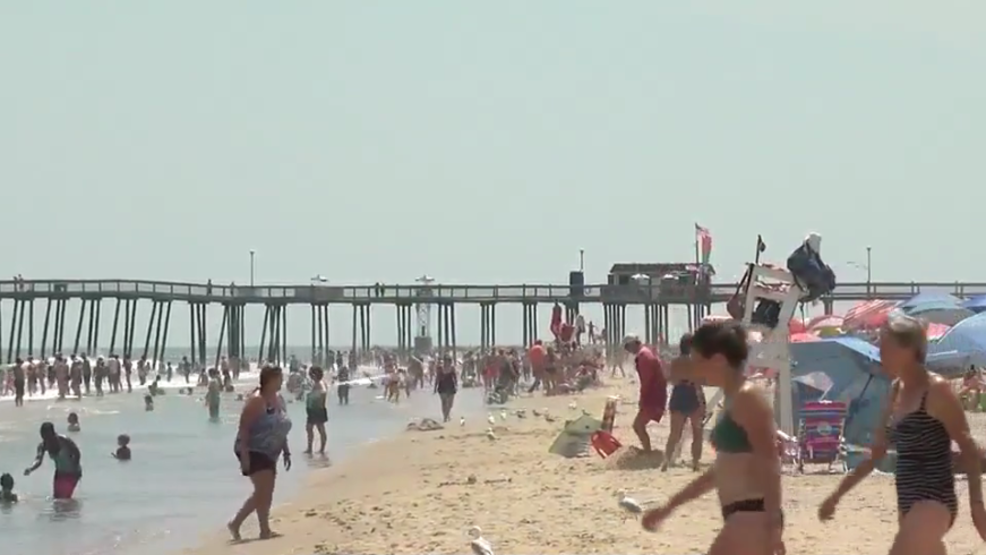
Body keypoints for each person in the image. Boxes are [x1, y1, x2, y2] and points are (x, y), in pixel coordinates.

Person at [819, 315, 986, 554]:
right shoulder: (895, 390)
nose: (879, 351)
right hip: (906, 502)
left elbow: (968, 447)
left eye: (885, 346)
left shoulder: (935, 389)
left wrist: (977, 506)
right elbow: (875, 455)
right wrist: (837, 495)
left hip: (934, 500)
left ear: (908, 350)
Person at [642, 321, 783, 555]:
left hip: (752, 519)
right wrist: (670, 506)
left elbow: (769, 462)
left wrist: (773, 527)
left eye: (697, 361)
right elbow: (721, 470)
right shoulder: (732, 400)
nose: (693, 369)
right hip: (741, 517)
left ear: (718, 360)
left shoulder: (747, 398)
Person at [228, 365, 293, 541]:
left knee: (267, 491)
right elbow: (244, 429)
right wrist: (245, 458)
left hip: (271, 450)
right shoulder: (257, 400)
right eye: (279, 378)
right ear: (270, 379)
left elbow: (280, 426)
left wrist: (286, 450)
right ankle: (236, 523)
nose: (282, 381)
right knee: (262, 491)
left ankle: (264, 530)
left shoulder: (278, 399)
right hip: (252, 448)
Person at [663, 333, 705, 471]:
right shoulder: (696, 362)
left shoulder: (675, 362)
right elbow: (699, 383)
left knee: (674, 433)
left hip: (678, 393)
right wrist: (702, 402)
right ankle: (695, 463)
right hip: (692, 394)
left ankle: (666, 461)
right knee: (697, 433)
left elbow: (670, 379)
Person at [622, 334, 667, 452]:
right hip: (657, 394)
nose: (628, 351)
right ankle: (648, 450)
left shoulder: (643, 356)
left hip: (653, 396)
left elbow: (646, 381)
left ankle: (648, 452)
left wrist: (642, 399)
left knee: (638, 425)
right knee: (639, 425)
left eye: (627, 347)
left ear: (633, 343)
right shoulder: (645, 353)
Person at [24, 422, 83, 500]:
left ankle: (71, 511)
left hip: (72, 473)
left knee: (64, 499)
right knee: (57, 499)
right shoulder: (42, 446)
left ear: (53, 433)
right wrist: (31, 468)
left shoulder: (64, 440)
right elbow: (38, 460)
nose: (46, 439)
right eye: (44, 436)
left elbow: (76, 452)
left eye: (48, 436)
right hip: (59, 474)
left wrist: (76, 468)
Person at [304, 366, 328, 455]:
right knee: (309, 428)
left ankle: (321, 449)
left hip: (318, 409)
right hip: (313, 409)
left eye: (311, 374)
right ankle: (309, 448)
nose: (310, 376)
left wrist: (314, 395)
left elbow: (323, 392)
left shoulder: (320, 383)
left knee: (320, 428)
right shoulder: (316, 383)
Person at [435, 357, 458, 423]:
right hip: (442, 386)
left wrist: (456, 385)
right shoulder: (440, 368)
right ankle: (445, 417)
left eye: (448, 361)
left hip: (451, 386)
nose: (446, 363)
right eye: (445, 361)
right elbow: (437, 378)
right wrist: (435, 387)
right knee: (444, 402)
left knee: (450, 404)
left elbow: (455, 377)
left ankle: (447, 415)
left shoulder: (452, 368)